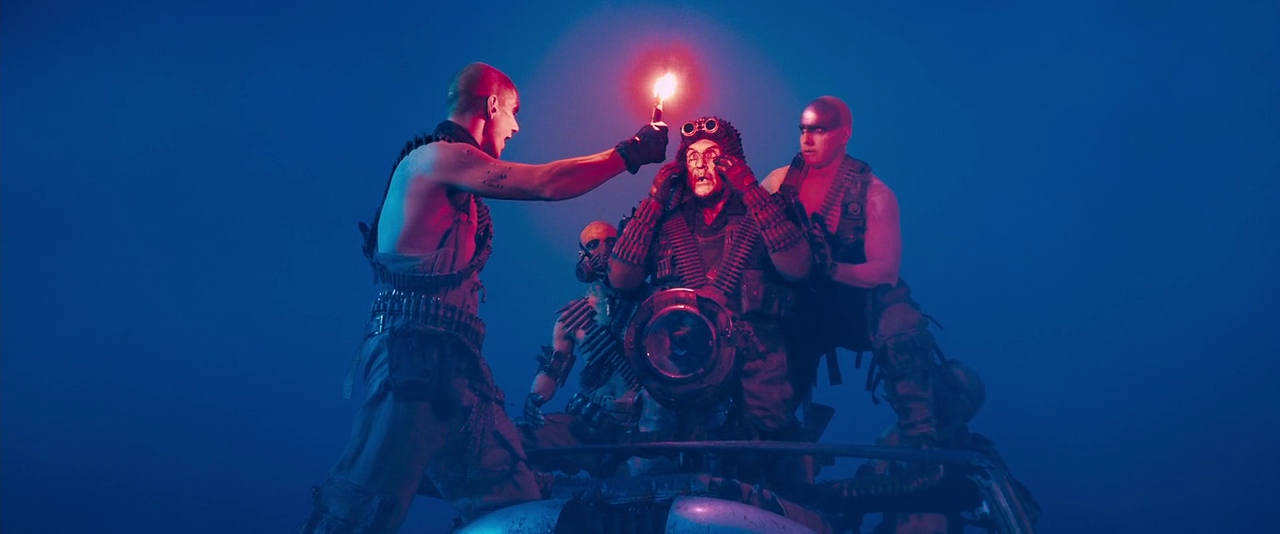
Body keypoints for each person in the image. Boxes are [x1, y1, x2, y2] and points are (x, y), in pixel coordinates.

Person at [300, 62, 669, 533]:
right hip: (412, 360)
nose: (515, 127)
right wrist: (630, 152)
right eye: (513, 112)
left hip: (458, 370)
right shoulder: (435, 159)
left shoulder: (454, 171)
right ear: (492, 105)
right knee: (364, 503)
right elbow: (546, 184)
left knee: (513, 502)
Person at [763, 96, 1018, 532]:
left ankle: (922, 442)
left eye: (820, 129)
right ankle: (767, 444)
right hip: (798, 307)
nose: (808, 138)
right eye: (803, 129)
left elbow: (884, 271)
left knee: (899, 320)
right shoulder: (778, 182)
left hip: (854, 305)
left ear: (844, 134)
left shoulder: (874, 195)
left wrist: (829, 269)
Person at [608, 116, 812, 487]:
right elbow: (622, 278)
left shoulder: (759, 215)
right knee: (653, 446)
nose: (701, 166)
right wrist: (654, 200)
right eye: (692, 158)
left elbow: (797, 267)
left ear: (730, 163)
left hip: (752, 353)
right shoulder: (667, 222)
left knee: (768, 435)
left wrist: (750, 190)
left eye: (712, 156)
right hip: (677, 361)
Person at [518, 220, 644, 477]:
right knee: (519, 439)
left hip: (644, 420)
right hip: (594, 421)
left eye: (611, 242)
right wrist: (535, 399)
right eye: (593, 244)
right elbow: (552, 369)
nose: (603, 250)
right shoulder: (574, 317)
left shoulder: (651, 304)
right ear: (582, 255)